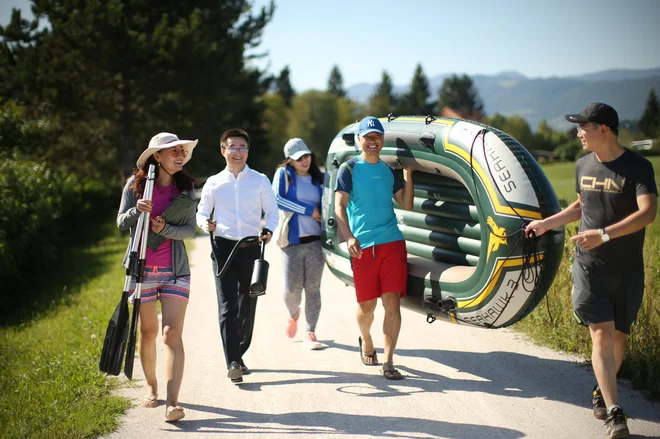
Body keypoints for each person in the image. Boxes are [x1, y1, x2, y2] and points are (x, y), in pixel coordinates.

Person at [525, 103, 657, 438]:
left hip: (627, 270)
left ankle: (602, 391)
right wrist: (545, 224)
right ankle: (615, 413)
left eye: (583, 127)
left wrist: (604, 234)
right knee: (601, 333)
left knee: (619, 339)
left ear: (604, 129)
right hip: (590, 267)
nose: (578, 133)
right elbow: (581, 205)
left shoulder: (638, 168)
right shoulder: (583, 164)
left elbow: (647, 214)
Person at [117, 132, 199, 422]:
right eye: (172, 151)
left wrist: (165, 229)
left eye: (181, 151)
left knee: (171, 334)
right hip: (142, 272)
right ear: (157, 157)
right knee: (149, 333)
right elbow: (120, 221)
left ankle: (173, 403)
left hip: (175, 272)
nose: (179, 155)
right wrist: (136, 212)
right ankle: (152, 389)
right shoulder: (136, 185)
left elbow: (191, 230)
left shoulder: (186, 189)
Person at [334, 116, 414, 380]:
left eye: (377, 137)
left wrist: (408, 174)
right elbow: (339, 207)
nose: (372, 141)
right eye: (367, 137)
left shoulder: (389, 171)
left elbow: (407, 204)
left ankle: (389, 362)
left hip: (392, 243)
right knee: (367, 306)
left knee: (392, 304)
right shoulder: (349, 168)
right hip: (363, 246)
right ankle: (366, 339)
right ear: (359, 140)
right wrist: (348, 237)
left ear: (382, 140)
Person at [196, 128, 278, 384]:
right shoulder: (214, 182)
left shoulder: (260, 180)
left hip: (252, 249)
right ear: (223, 151)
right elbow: (201, 213)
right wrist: (204, 225)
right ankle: (232, 361)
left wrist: (269, 229)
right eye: (233, 147)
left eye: (242, 147)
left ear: (247, 151)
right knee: (227, 307)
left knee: (247, 307)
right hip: (222, 250)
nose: (238, 152)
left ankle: (239, 354)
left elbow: (272, 212)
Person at [272, 138, 325, 350]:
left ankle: (310, 332)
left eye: (306, 155)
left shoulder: (319, 177)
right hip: (291, 242)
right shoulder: (284, 175)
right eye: (298, 158)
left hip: (315, 242)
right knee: (291, 290)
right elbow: (277, 199)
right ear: (290, 161)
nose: (304, 160)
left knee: (313, 288)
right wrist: (308, 210)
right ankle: (293, 314)